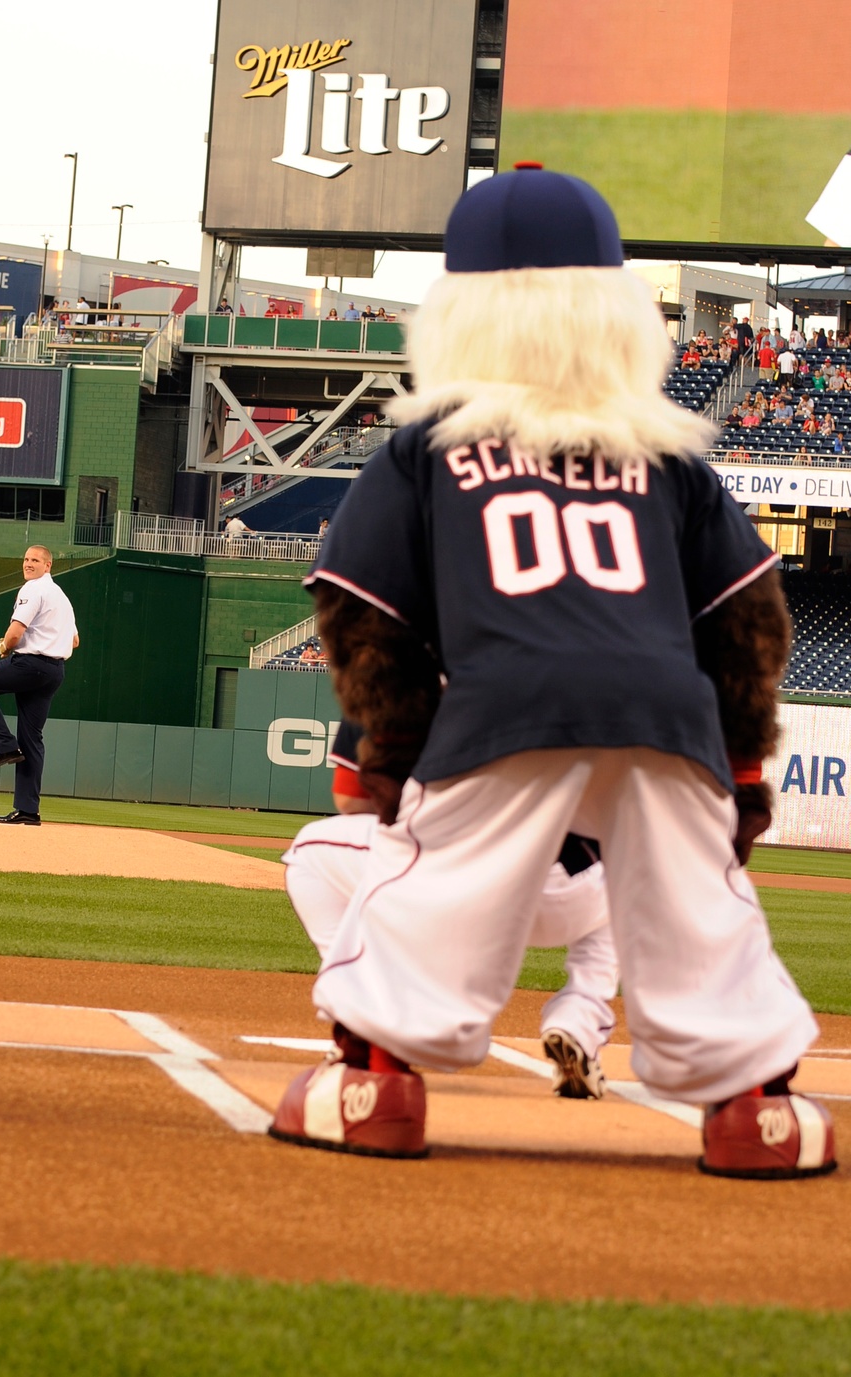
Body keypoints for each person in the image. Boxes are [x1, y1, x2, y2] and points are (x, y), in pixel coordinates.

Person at [268, 166, 835, 1180]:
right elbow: (748, 624)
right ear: (616, 314)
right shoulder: (668, 461)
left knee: (434, 895)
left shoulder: (426, 453)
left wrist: (392, 757)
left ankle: (373, 1086)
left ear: (458, 315)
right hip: (668, 707)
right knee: (698, 911)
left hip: (505, 704)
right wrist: (742, 769)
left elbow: (363, 618)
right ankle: (758, 1109)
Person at [281, 721, 618, 1100]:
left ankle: (362, 1008)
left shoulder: (399, 673)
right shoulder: (591, 682)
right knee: (622, 884)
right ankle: (580, 1021)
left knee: (310, 849)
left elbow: (351, 800)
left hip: (468, 884)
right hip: (577, 894)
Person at [0, 546, 78, 826]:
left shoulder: (33, 589)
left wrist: (4, 645)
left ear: (48, 565)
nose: (28, 564)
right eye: (26, 559)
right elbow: (75, 641)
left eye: (35, 560)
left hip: (31, 665)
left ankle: (5, 746)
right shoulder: (61, 596)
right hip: (54, 671)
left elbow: (15, 634)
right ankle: (28, 810)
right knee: (32, 740)